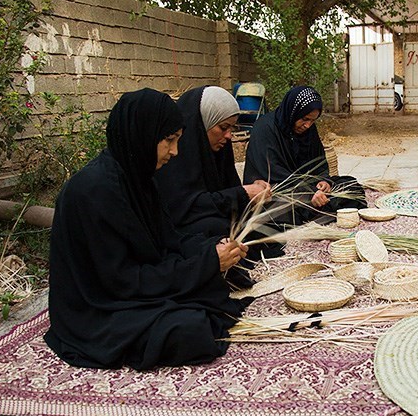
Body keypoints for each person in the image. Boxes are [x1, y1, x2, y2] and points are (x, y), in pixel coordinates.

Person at [44, 88, 251, 371]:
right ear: (141, 133)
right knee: (189, 329)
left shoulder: (140, 178)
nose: (175, 152)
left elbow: (168, 239)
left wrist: (214, 250)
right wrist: (205, 264)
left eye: (177, 140)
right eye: (169, 140)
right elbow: (122, 281)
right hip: (99, 306)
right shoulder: (94, 192)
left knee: (213, 291)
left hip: (131, 285)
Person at [155, 85, 271, 238]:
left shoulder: (220, 151)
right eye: (223, 127)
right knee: (217, 228)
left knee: (262, 220)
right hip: (183, 225)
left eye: (232, 128)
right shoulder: (175, 154)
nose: (229, 136)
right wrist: (242, 194)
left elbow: (227, 191)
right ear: (204, 123)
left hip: (213, 216)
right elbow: (184, 208)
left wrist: (253, 192)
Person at [243, 85, 366, 227]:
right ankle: (317, 212)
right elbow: (274, 174)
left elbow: (318, 161)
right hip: (279, 192)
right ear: (293, 112)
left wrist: (324, 182)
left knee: (351, 186)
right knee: (279, 211)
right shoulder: (264, 129)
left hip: (309, 188)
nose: (307, 125)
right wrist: (308, 193)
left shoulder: (308, 130)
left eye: (313, 121)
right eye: (305, 119)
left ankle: (316, 211)